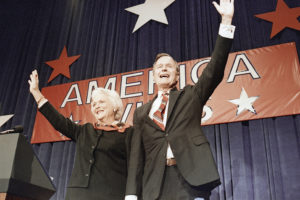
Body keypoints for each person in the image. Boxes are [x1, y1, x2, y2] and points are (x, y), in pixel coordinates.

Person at [125, 0, 235, 199]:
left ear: (177, 76)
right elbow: (136, 155)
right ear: (154, 76)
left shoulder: (191, 96)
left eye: (169, 66)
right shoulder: (141, 113)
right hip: (154, 186)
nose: (164, 69)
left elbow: (214, 70)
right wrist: (132, 193)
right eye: (159, 67)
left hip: (190, 181)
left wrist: (226, 22)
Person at [28, 70, 132, 200]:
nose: (96, 106)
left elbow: (135, 167)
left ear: (115, 106)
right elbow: (59, 122)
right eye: (93, 104)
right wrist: (37, 93)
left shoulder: (128, 132)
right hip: (78, 195)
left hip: (111, 194)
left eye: (101, 102)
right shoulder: (85, 130)